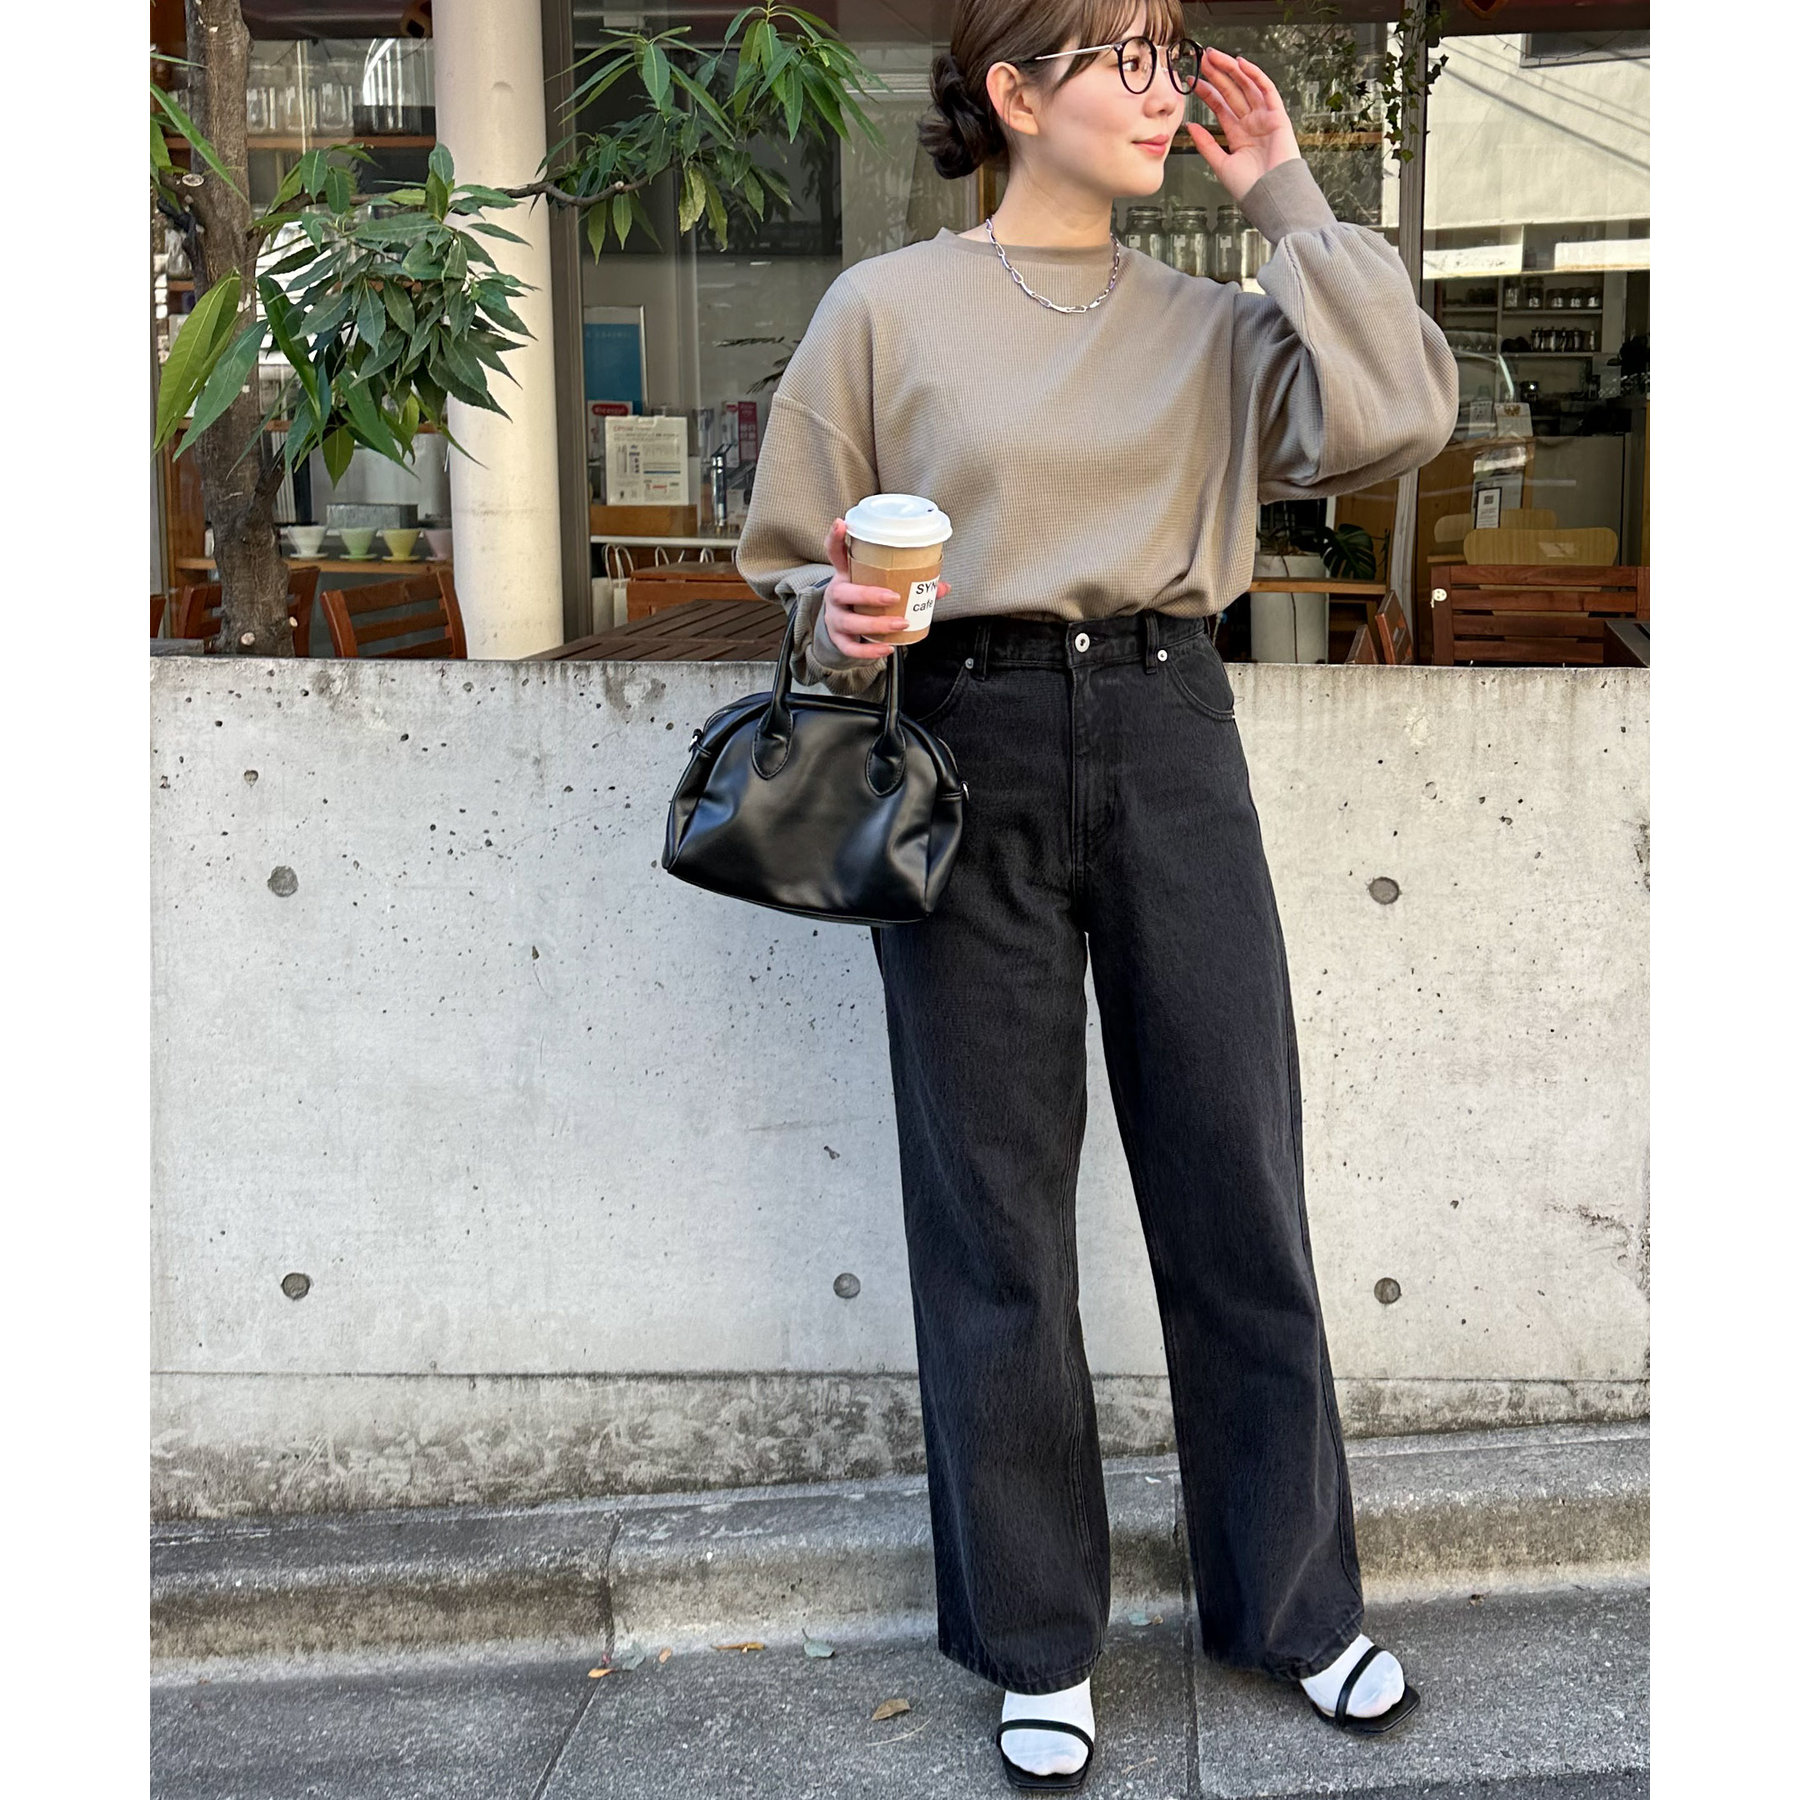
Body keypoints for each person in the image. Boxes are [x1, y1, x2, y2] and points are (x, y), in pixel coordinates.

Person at [734, 2, 1458, 1787]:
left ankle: (1296, 1607)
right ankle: (1037, 1641)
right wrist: (837, 617)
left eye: (1170, 51)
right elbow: (792, 561)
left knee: (1236, 1183)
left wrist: (1287, 194)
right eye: (1121, 57)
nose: (1163, 88)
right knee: (993, 1216)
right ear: (1013, 91)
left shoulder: (1218, 324)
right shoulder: (885, 310)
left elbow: (1402, 417)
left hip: (1169, 727)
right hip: (955, 740)